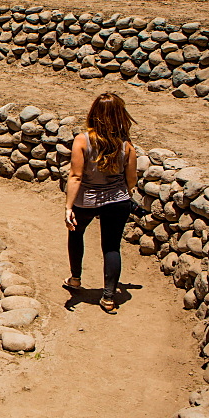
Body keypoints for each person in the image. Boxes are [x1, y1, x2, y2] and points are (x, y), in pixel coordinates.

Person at [63, 92, 138, 314]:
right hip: (117, 201)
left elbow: (75, 176)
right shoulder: (126, 145)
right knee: (112, 247)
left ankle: (75, 279)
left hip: (86, 200)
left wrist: (68, 207)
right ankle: (108, 297)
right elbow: (131, 179)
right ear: (120, 116)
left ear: (94, 113)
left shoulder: (82, 140)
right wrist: (124, 192)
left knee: (76, 234)